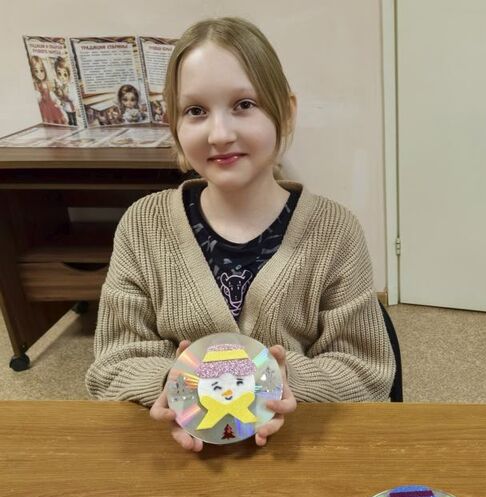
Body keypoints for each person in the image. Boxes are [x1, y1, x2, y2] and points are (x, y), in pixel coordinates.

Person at [86, 16, 395, 451]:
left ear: (285, 110)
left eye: (244, 104)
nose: (220, 134)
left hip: (298, 450)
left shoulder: (335, 231)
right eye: (196, 111)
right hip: (180, 452)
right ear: (174, 124)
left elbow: (368, 372)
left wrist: (282, 379)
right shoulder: (143, 226)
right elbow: (112, 364)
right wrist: (172, 382)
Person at [29, 55, 67, 125]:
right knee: (49, 122)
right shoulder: (36, 85)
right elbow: (38, 98)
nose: (40, 74)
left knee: (58, 120)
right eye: (36, 71)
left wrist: (56, 101)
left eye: (41, 70)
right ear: (32, 72)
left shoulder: (47, 82)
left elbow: (51, 94)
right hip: (44, 108)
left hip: (52, 106)